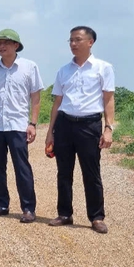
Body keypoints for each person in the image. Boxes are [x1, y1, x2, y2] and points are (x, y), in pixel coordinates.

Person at [45, 26, 116, 234]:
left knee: (91, 172)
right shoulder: (63, 71)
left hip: (89, 125)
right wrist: (50, 131)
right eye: (70, 41)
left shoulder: (103, 68)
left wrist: (108, 128)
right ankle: (65, 213)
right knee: (63, 172)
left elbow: (108, 99)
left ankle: (96, 217)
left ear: (90, 42)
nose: (73, 44)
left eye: (77, 40)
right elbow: (57, 102)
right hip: (65, 124)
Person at [0, 29, 43, 223]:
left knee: (22, 167)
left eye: (6, 42)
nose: (1, 46)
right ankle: (1, 205)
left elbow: (36, 97)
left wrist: (32, 123)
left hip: (18, 125)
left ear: (16, 45)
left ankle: (28, 208)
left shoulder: (29, 67)